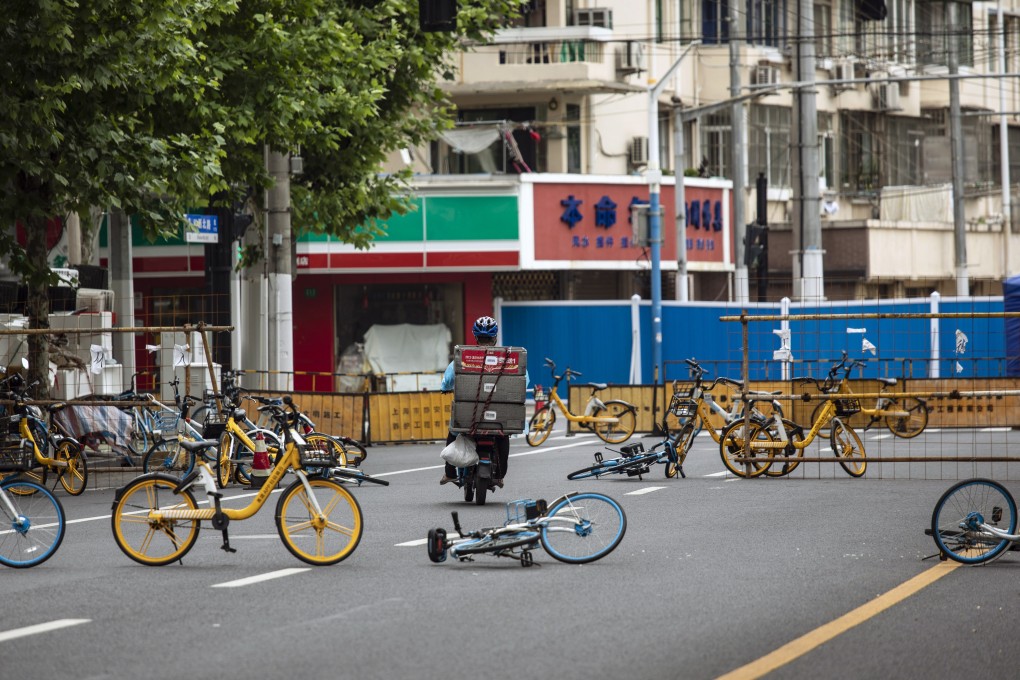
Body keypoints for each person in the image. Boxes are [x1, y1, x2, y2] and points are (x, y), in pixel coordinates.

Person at [439, 315, 527, 487]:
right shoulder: (510, 357)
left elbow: (449, 378)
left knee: (454, 431)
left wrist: (444, 387)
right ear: (494, 337)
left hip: (469, 418)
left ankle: (450, 473)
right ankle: (500, 476)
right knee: (503, 436)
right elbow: (523, 381)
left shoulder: (465, 356)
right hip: (499, 420)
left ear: (476, 336)